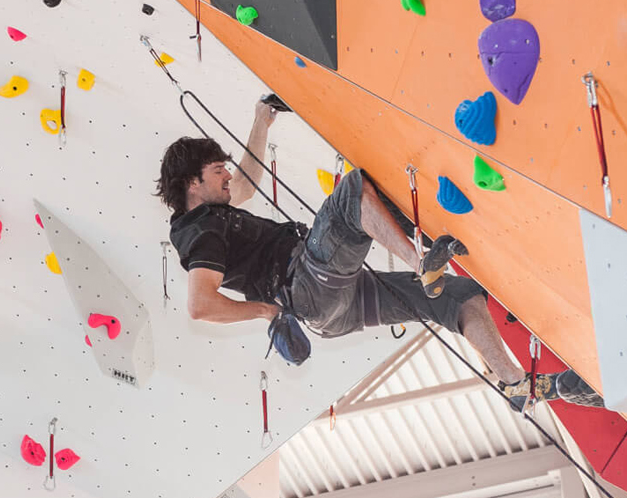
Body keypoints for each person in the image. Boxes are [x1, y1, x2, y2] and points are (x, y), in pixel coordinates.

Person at [157, 97, 601, 408]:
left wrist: (262, 120)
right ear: (193, 183)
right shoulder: (202, 232)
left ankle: (518, 385)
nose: (227, 177)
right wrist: (267, 313)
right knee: (352, 192)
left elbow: (247, 183)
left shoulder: (213, 213)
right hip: (306, 285)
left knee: (460, 297)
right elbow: (200, 305)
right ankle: (420, 263)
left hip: (333, 307)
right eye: (218, 171)